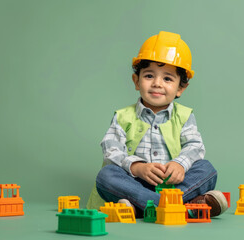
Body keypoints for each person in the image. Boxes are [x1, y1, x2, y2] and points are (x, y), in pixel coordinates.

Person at [86, 31, 228, 218]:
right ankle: (178, 207)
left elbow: (195, 146)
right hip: (135, 183)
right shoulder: (123, 116)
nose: (157, 84)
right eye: (149, 76)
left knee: (206, 169)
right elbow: (110, 149)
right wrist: (136, 166)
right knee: (106, 175)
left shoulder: (184, 116)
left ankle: (141, 207)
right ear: (136, 81)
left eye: (167, 78)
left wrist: (180, 164)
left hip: (174, 186)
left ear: (180, 88)